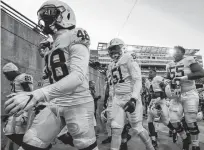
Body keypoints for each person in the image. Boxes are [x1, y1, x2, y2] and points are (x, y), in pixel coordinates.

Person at [4, 0, 98, 150]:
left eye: (48, 14)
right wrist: (40, 101)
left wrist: (37, 95)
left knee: (85, 145)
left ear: (65, 15)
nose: (44, 19)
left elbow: (77, 77)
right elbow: (52, 79)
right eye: (42, 15)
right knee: (31, 140)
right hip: (55, 103)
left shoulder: (75, 35)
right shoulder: (53, 46)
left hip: (78, 102)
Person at [107, 38, 155, 150]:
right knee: (115, 128)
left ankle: (150, 147)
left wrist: (133, 98)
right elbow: (112, 86)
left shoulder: (128, 58)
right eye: (111, 49)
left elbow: (137, 79)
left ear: (122, 48)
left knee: (137, 127)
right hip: (117, 99)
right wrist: (110, 102)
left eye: (116, 48)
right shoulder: (110, 66)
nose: (113, 51)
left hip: (129, 96)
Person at [166, 46, 204, 150]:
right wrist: (166, 81)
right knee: (173, 120)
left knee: (190, 121)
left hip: (189, 92)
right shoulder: (169, 64)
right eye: (173, 52)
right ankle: (185, 137)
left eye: (177, 52)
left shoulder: (189, 60)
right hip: (176, 95)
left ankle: (195, 145)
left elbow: (201, 73)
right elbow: (168, 77)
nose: (175, 54)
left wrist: (184, 78)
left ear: (183, 53)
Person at [2, 62, 33, 148]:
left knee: (19, 132)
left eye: (6, 74)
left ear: (12, 71)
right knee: (9, 132)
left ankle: (29, 147)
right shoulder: (15, 79)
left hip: (22, 109)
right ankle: (26, 147)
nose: (6, 77)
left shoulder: (23, 77)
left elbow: (29, 93)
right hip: (16, 109)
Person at [147, 69, 175, 147]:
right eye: (149, 72)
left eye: (151, 72)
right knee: (150, 120)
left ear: (155, 73)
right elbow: (151, 93)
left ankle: (174, 130)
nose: (149, 73)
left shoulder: (158, 78)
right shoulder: (150, 81)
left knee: (164, 121)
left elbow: (167, 89)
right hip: (153, 101)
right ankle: (153, 139)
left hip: (160, 101)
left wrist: (160, 98)